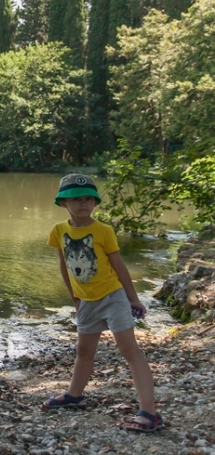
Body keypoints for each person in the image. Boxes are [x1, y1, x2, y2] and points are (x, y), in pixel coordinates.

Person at [44, 173, 162, 432]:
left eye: (88, 199)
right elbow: (64, 266)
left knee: (129, 349)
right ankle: (74, 395)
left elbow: (119, 266)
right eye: (76, 199)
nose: (83, 203)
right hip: (86, 301)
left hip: (112, 296)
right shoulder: (59, 230)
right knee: (84, 351)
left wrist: (133, 299)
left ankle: (149, 412)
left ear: (95, 202)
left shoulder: (103, 231)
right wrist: (75, 299)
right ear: (63, 203)